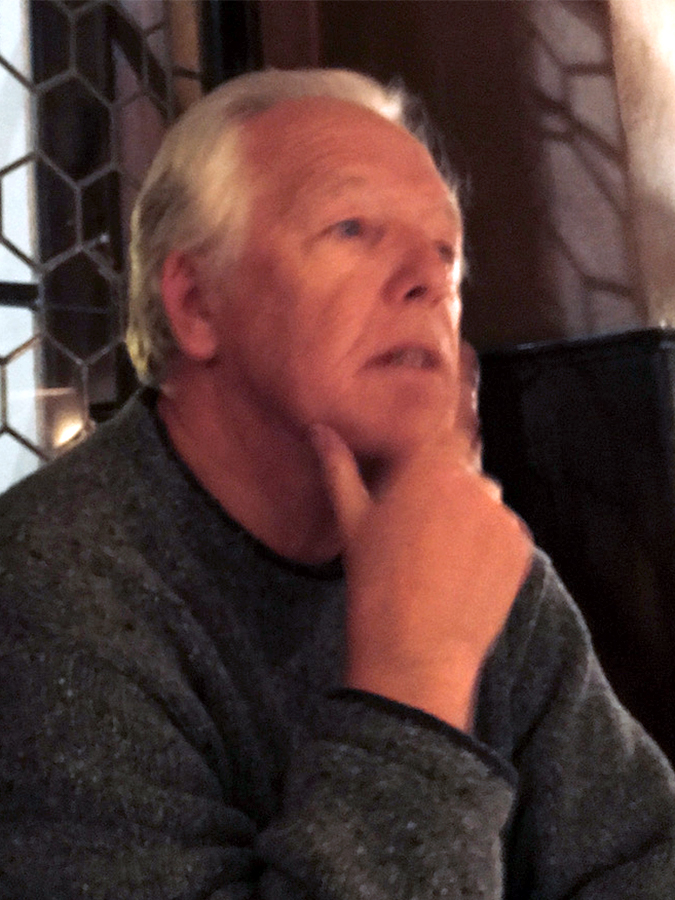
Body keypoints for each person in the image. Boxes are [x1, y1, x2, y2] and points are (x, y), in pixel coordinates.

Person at [0, 68, 674, 900]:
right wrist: (417, 678)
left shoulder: (470, 554)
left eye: (447, 252)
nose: (430, 280)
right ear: (196, 303)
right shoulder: (48, 587)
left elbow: (641, 861)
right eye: (351, 228)